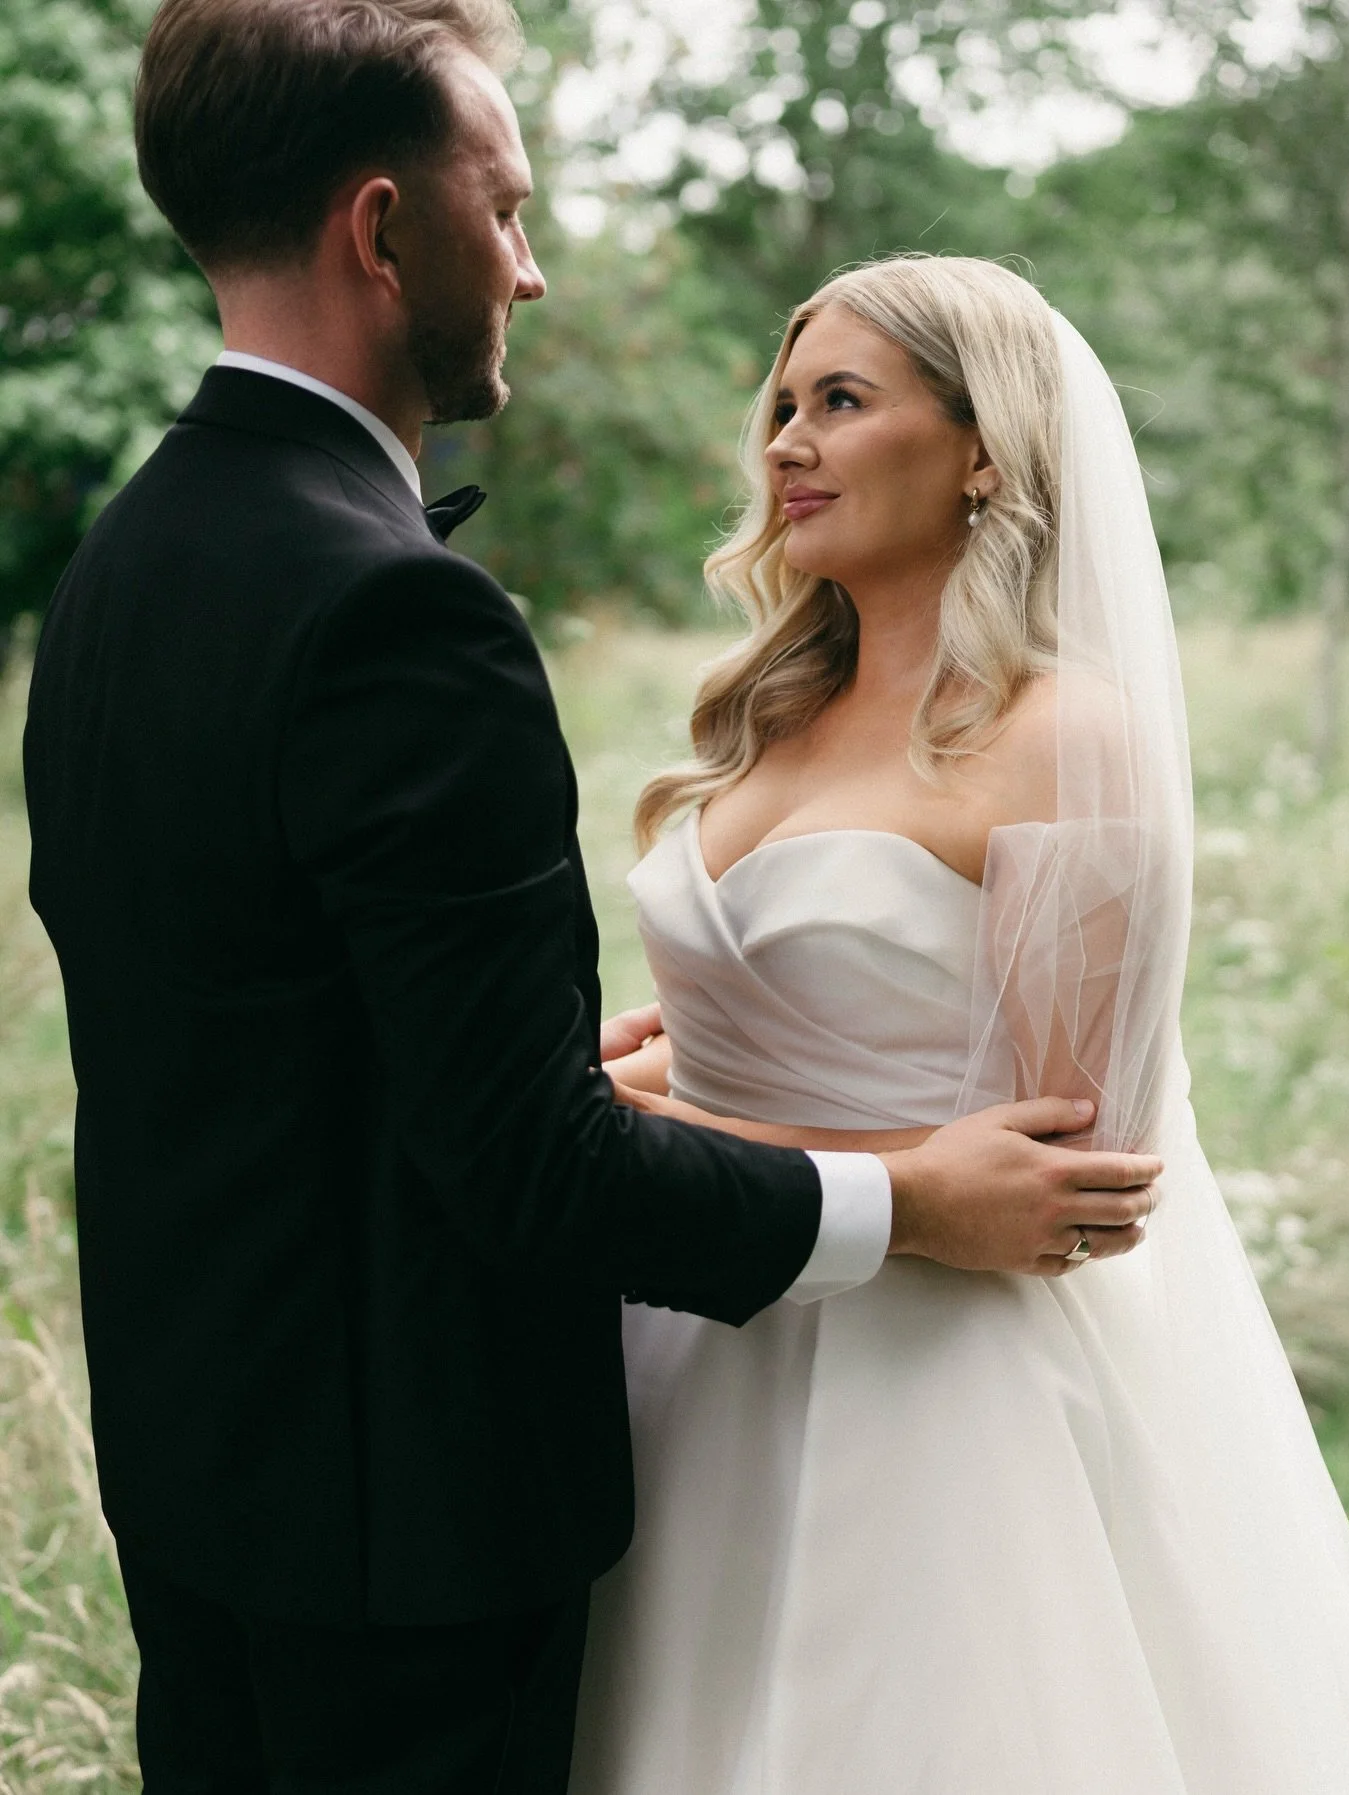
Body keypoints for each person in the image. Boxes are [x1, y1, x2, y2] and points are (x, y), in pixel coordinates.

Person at [21, 6, 1164, 1791]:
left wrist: (587, 1086)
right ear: (385, 231)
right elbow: (525, 1165)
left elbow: (264, 1042)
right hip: (406, 1545)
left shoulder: (120, 567)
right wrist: (902, 1199)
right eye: (506, 206)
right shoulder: (396, 612)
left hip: (205, 1488)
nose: (533, 270)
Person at [570, 256, 1349, 1793]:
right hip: (688, 1361)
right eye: (780, 404)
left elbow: (1075, 1201)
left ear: (983, 448)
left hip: (930, 1402)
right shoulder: (762, 713)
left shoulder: (1060, 739)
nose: (784, 441)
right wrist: (653, 1073)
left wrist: (672, 1133)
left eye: (841, 400)